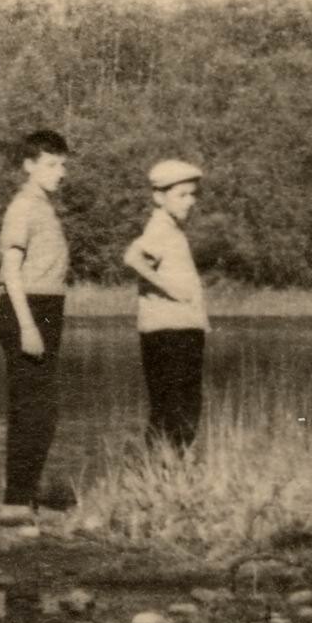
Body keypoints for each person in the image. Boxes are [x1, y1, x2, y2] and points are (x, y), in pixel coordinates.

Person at [0, 129, 75, 530]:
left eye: (63, 165)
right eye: (50, 164)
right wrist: (27, 326)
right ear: (28, 166)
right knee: (34, 410)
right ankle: (15, 503)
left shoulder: (43, 205)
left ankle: (24, 493)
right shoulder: (24, 206)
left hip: (46, 308)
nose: (60, 172)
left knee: (40, 409)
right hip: (27, 309)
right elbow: (10, 271)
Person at [125, 158, 209, 449]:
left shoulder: (171, 229)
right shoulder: (160, 228)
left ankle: (160, 470)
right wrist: (172, 289)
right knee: (177, 411)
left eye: (192, 194)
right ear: (159, 197)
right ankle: (164, 469)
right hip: (171, 333)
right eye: (181, 195)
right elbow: (133, 257)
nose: (190, 202)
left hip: (175, 330)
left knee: (172, 410)